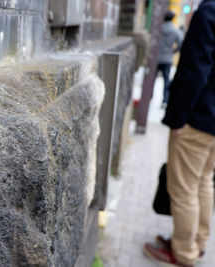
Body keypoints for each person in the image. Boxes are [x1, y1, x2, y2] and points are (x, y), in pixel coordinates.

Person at [144, 1, 215, 267]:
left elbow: (195, 68)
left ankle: (184, 252)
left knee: (184, 189)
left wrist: (176, 118)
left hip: (197, 118)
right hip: (212, 121)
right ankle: (197, 243)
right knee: (204, 181)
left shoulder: (210, 11)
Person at [156, 10, 183, 108]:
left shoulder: (159, 29)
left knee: (151, 81)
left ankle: (148, 97)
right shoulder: (175, 31)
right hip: (167, 58)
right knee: (166, 81)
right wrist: (173, 51)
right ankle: (165, 101)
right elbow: (181, 43)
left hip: (157, 57)